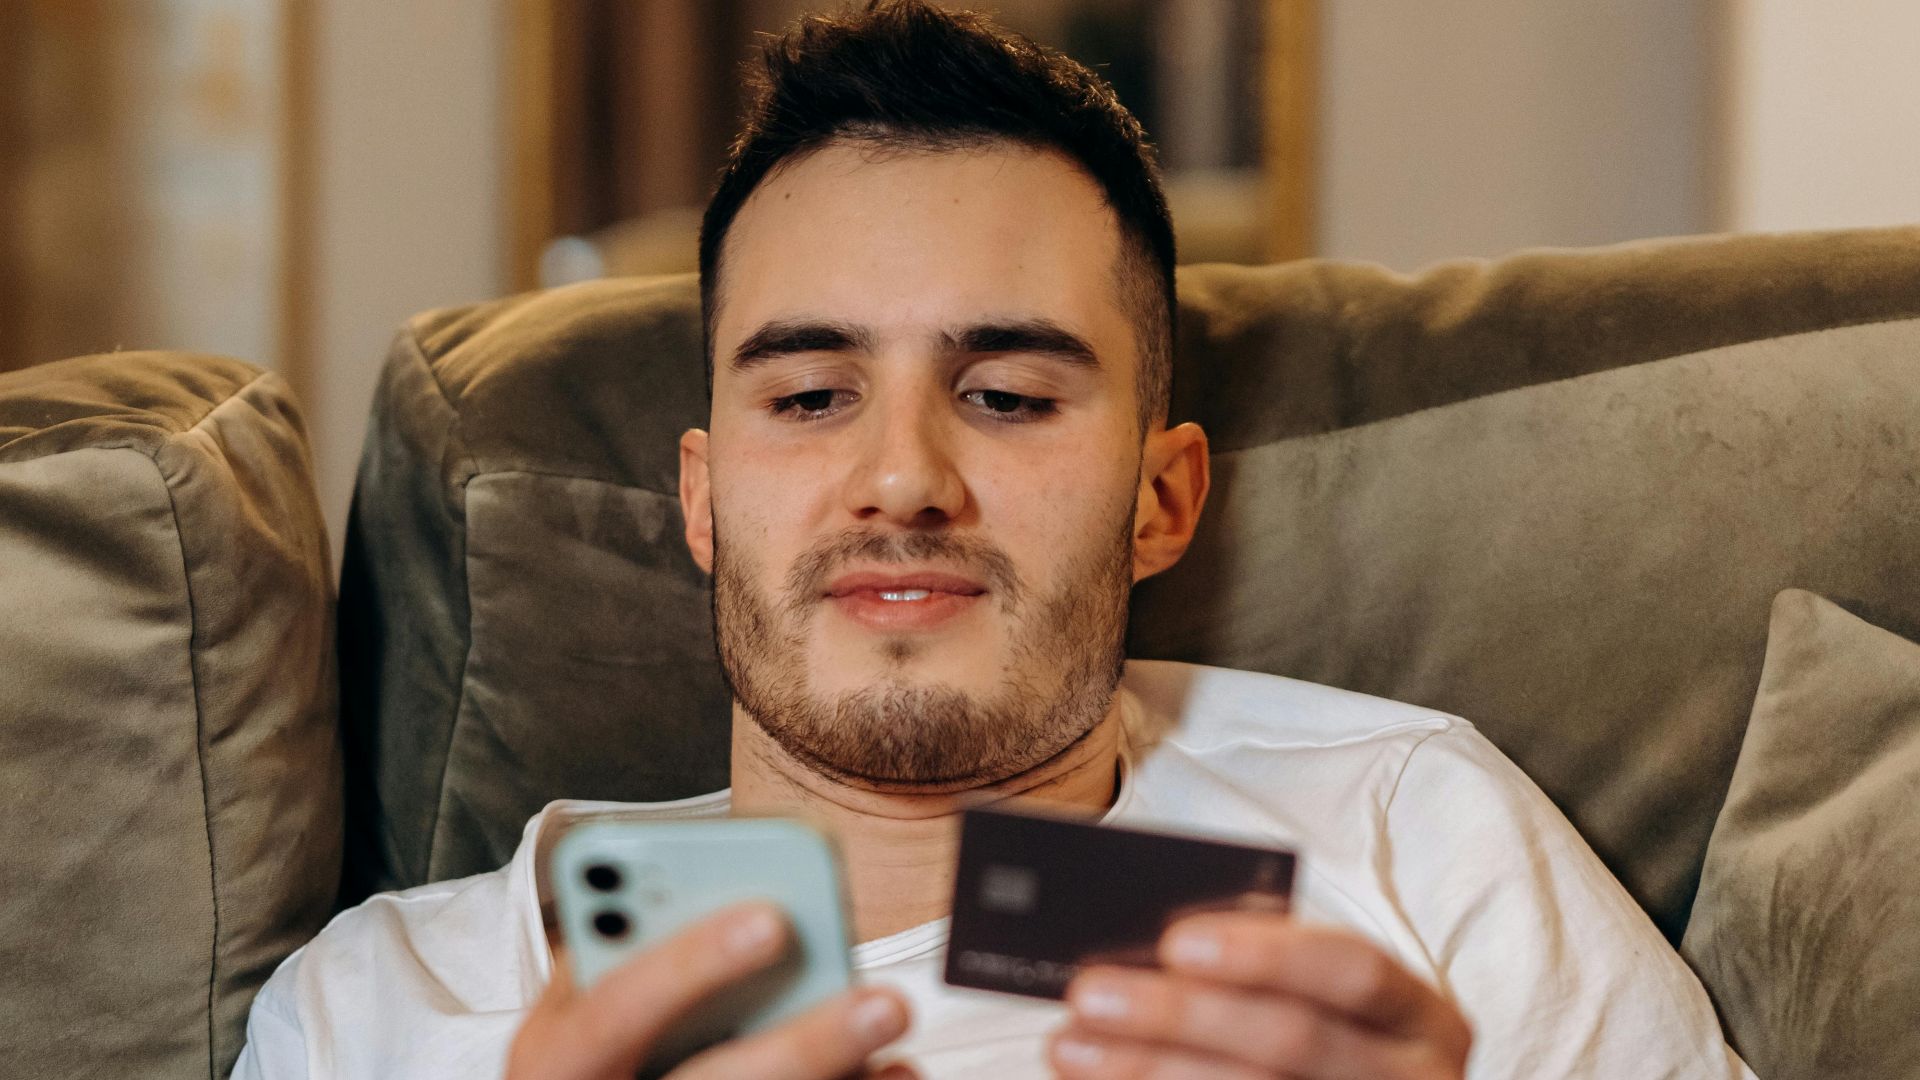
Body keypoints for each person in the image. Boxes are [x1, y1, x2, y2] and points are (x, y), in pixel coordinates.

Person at [234, 3, 1754, 1078]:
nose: (903, 480)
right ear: (702, 500)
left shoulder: (1421, 839)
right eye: (814, 393)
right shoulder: (387, 1005)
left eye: (1010, 395)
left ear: (1163, 500)